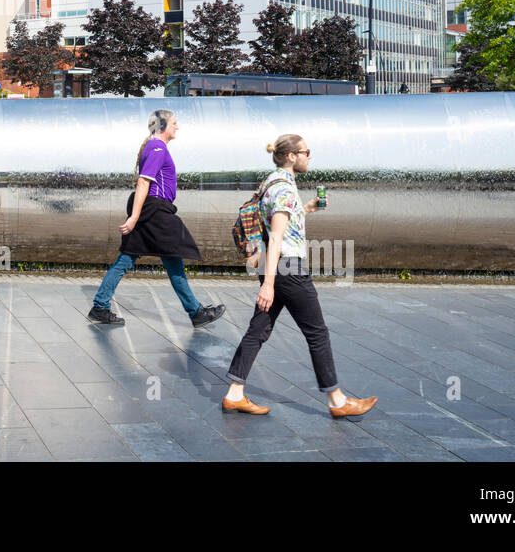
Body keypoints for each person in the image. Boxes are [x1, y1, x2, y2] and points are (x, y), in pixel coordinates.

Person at [222, 134, 377, 418]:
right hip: (287, 269)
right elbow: (277, 236)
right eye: (307, 151)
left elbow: (281, 224)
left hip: (275, 267)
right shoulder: (282, 189)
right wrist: (268, 284)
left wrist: (307, 209)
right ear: (292, 156)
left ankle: (234, 394)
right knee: (317, 332)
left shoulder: (274, 181)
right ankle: (337, 400)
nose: (309, 156)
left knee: (258, 329)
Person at [87, 110, 224, 328]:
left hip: (152, 210)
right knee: (172, 255)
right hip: (156, 212)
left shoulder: (154, 146)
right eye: (174, 123)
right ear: (163, 126)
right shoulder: (158, 148)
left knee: (131, 259)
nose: (177, 127)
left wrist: (136, 215)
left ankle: (100, 306)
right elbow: (144, 182)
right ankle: (195, 312)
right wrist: (134, 217)